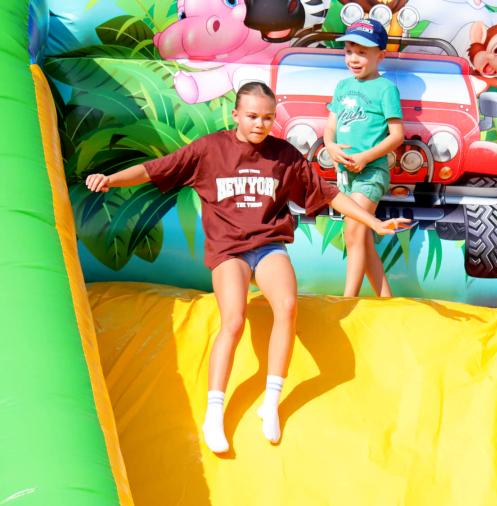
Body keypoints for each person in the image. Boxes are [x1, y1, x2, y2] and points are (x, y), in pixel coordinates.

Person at [85, 82, 408, 453]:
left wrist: (375, 224)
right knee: (234, 320)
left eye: (268, 117)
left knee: (287, 306)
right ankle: (214, 413)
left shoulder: (283, 155)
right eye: (252, 116)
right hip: (229, 250)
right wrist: (110, 180)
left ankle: (270, 403)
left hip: (267, 245)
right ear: (236, 114)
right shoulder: (209, 150)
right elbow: (154, 169)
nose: (260, 124)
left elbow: (330, 194)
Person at [324, 18, 405, 297]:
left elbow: (397, 136)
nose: (353, 59)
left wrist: (365, 158)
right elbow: (330, 127)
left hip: (371, 173)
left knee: (353, 230)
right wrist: (330, 146)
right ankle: (386, 299)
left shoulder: (385, 89)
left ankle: (348, 300)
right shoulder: (342, 86)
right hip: (345, 175)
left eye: (362, 52)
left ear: (380, 55)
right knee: (362, 238)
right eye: (349, 51)